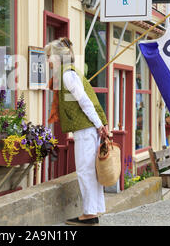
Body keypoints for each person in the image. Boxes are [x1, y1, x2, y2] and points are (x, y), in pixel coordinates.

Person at [45, 37, 109, 226]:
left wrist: (99, 126)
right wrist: (100, 125)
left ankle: (89, 214)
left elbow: (85, 102)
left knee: (85, 171)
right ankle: (94, 211)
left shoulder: (67, 75)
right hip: (87, 128)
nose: (47, 60)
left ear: (57, 57)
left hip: (86, 129)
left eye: (49, 56)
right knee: (90, 171)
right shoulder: (69, 73)